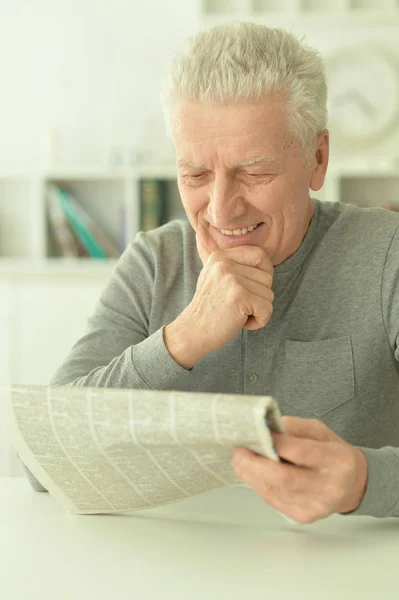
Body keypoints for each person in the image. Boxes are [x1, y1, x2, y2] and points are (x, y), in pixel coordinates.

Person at [23, 22, 399, 524]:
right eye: (195, 175)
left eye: (254, 173)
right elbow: (41, 459)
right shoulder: (154, 264)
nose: (221, 210)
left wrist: (364, 481)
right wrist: (184, 337)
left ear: (317, 157)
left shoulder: (387, 255)